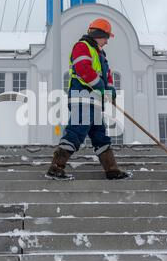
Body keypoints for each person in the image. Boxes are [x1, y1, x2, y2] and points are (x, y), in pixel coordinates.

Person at [46, 18, 132, 181]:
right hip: (83, 99)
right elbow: (83, 69)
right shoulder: (82, 47)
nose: (107, 41)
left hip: (96, 103)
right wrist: (100, 86)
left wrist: (110, 89)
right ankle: (56, 167)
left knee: (100, 136)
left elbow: (107, 76)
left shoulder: (101, 55)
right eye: (106, 37)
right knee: (76, 131)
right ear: (99, 34)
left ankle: (112, 170)